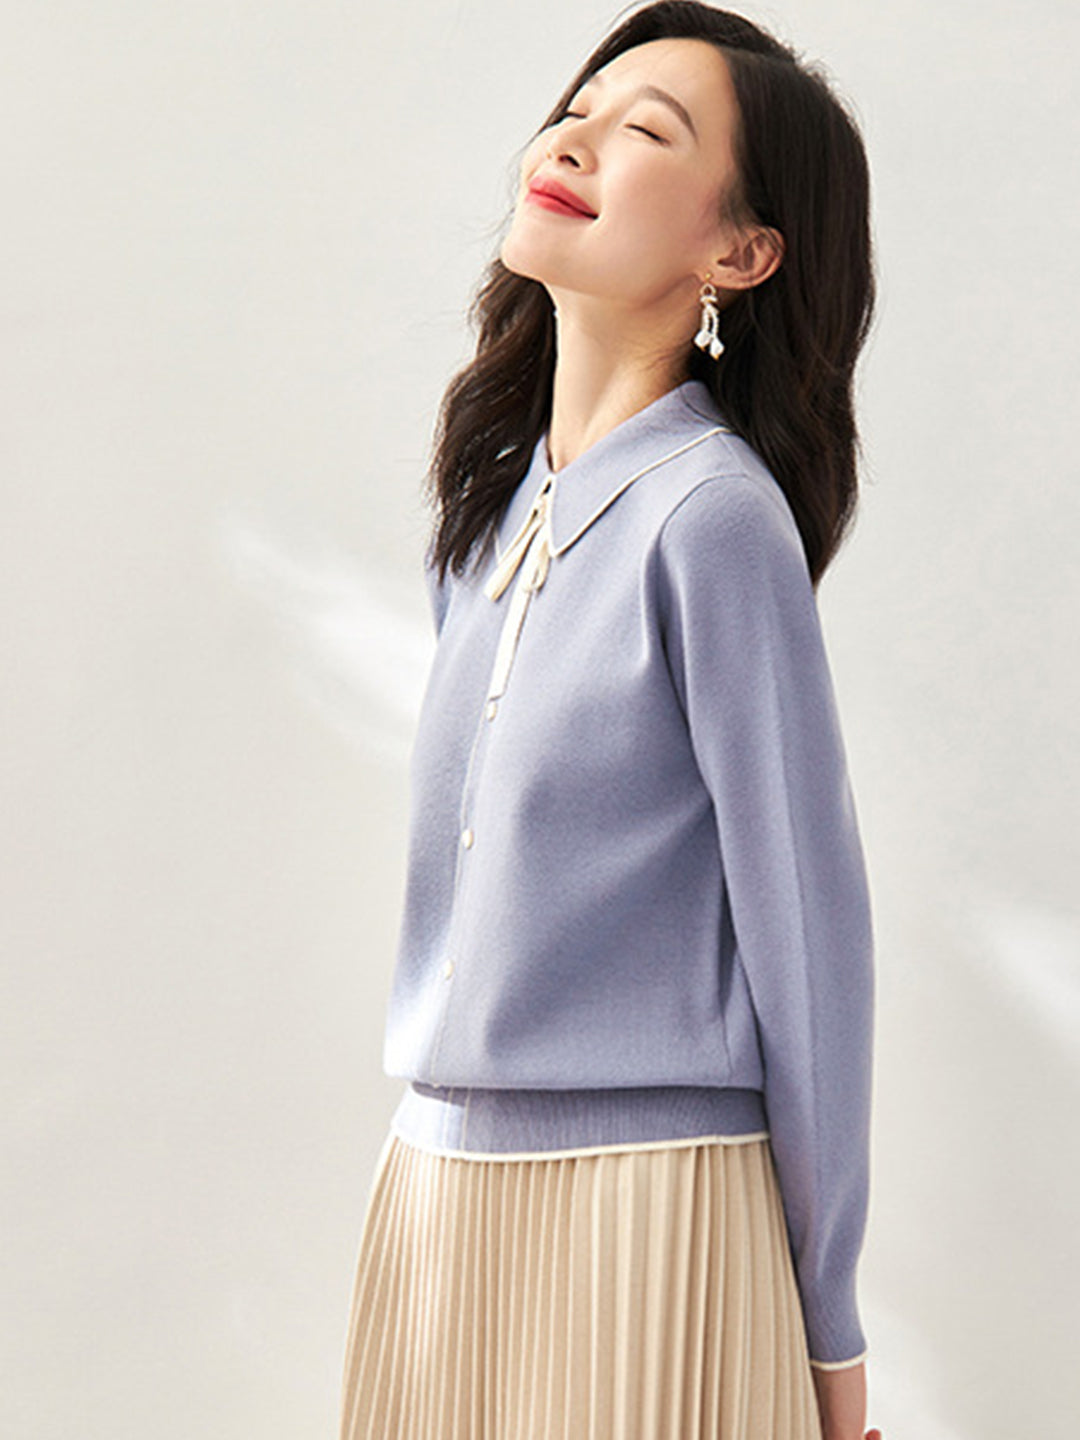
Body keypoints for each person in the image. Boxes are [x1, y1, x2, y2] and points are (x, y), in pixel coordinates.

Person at [338, 3, 883, 1437]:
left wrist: (829, 1332)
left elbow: (812, 951)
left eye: (646, 130)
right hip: (436, 1200)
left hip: (650, 1216)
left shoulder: (714, 522)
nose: (575, 136)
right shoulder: (490, 514)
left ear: (740, 254)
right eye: (579, 105)